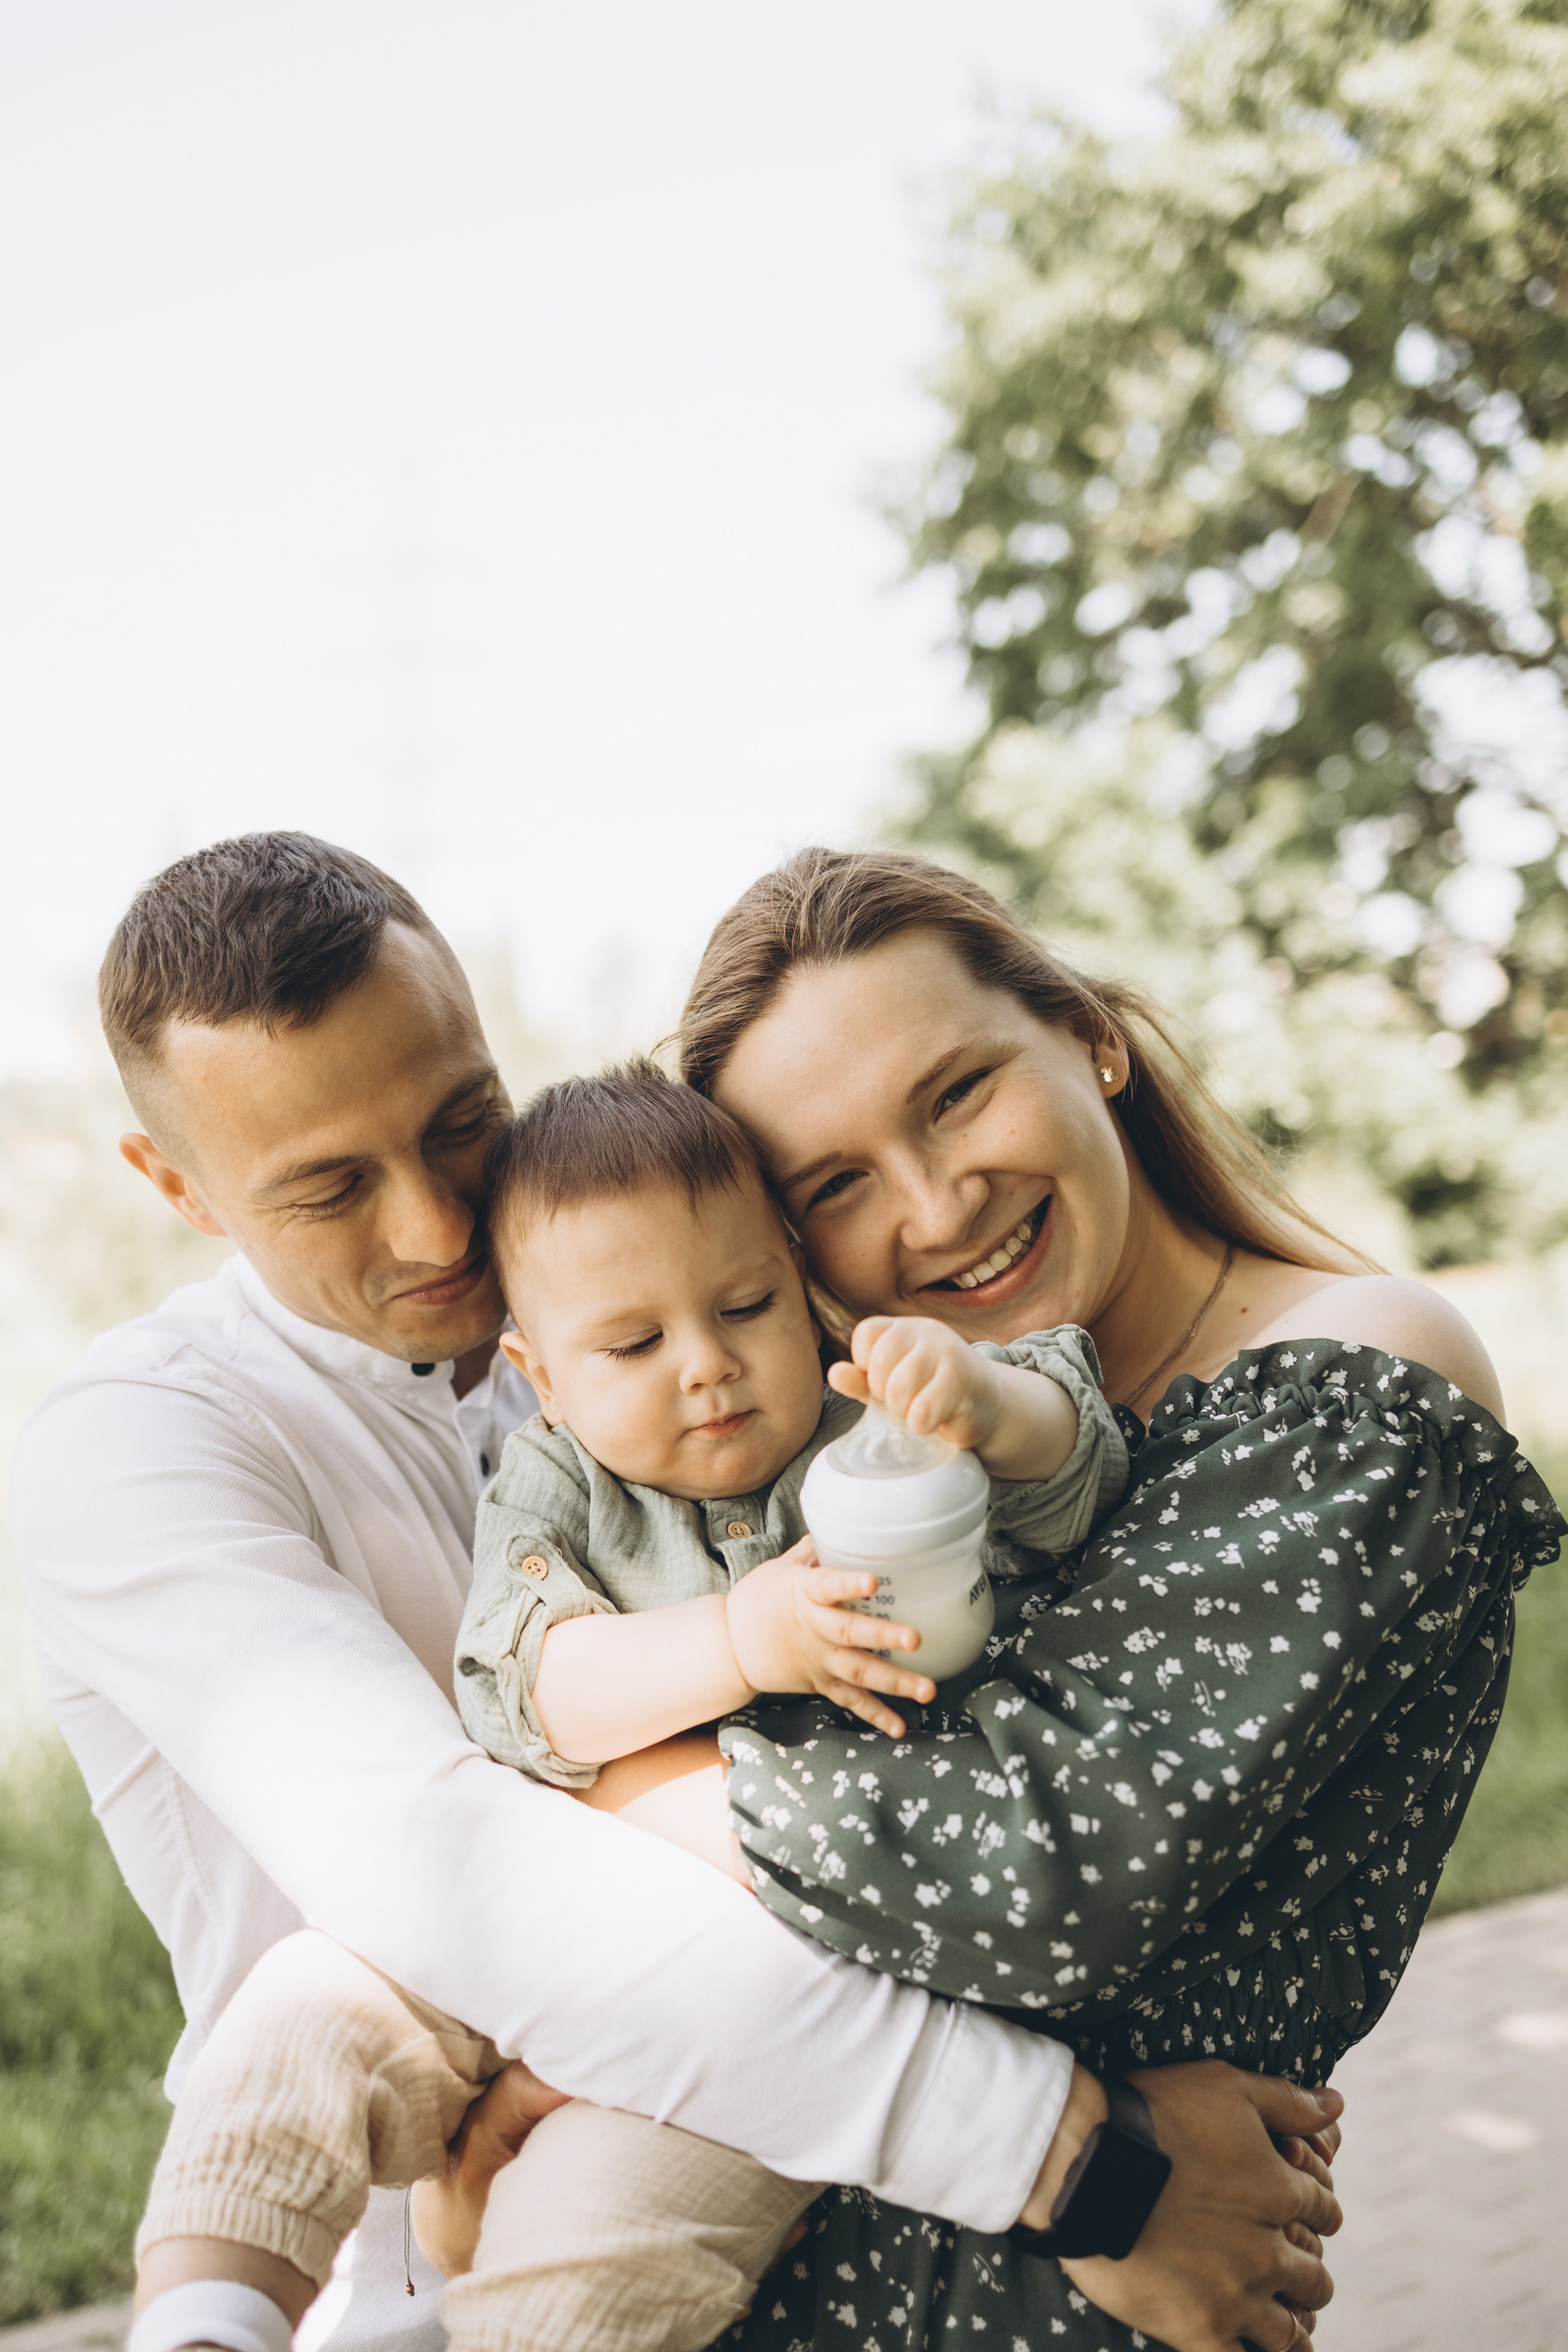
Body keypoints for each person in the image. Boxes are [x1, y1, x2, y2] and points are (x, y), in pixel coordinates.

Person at [12, 834, 1344, 2352]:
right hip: (413, 2258)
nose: (440, 1230)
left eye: (462, 1123)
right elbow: (440, 1858)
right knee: (303, 2046)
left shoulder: (672, 1323)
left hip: (813, 2192)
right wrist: (1073, 2161)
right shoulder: (142, 1447)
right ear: (175, 1187)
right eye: (327, 1189)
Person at [590, 841, 1556, 2352]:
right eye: (835, 1183)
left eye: (956, 1092)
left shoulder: (1352, 1372)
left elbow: (1039, 1875)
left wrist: (603, 1788)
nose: (931, 1204)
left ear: (1092, 1039)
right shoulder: (870, 1458)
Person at [132, 1060, 1134, 2352]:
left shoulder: (872, 1424)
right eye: (635, 1343)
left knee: (588, 2260)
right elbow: (527, 1692)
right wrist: (741, 1636)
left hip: (776, 2013)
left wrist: (987, 1403)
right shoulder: (554, 1488)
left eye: (743, 1306)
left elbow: (1072, 1468)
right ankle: (205, 2322)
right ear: (537, 1377)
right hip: (533, 1923)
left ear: (799, 1279)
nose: (707, 1368)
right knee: (303, 2015)